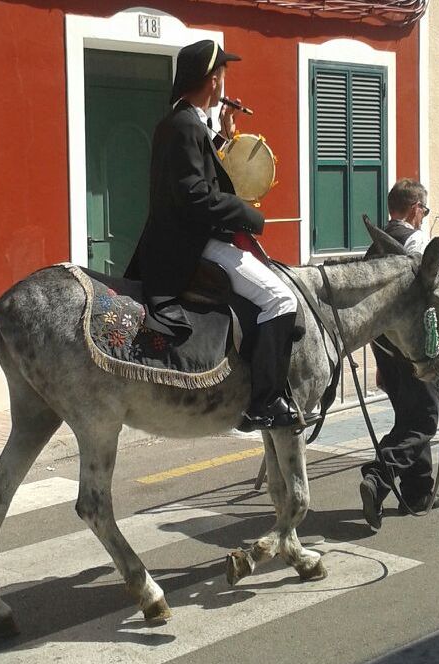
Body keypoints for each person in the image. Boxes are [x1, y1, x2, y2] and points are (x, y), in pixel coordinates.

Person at [124, 40, 298, 431]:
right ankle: (264, 403)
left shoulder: (185, 123)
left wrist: (220, 138)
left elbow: (197, 172)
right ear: (213, 79)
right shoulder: (184, 125)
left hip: (189, 235)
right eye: (223, 73)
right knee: (281, 298)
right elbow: (195, 195)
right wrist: (250, 215)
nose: (225, 80)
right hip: (193, 243)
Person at [359, 178, 439, 531]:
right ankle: (379, 476)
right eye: (423, 210)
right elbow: (429, 304)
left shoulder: (375, 246)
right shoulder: (419, 244)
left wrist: (380, 361)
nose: (424, 216)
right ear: (414, 209)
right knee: (425, 417)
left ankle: (418, 491)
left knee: (409, 416)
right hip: (414, 350)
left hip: (383, 347)